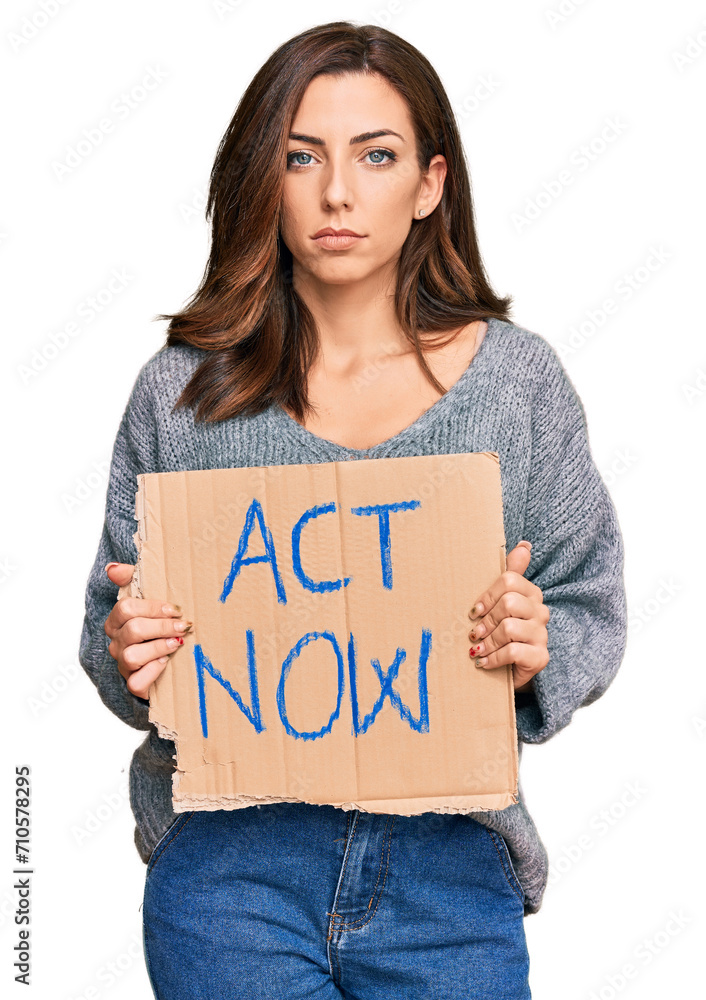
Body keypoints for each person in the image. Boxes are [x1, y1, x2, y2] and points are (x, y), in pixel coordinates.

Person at [78, 20, 627, 1000]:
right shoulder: (178, 394)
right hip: (231, 876)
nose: (336, 193)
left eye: (375, 155)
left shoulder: (518, 384)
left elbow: (586, 599)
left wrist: (534, 646)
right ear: (265, 180)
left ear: (428, 186)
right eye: (301, 157)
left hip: (448, 877)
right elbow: (110, 645)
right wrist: (130, 649)